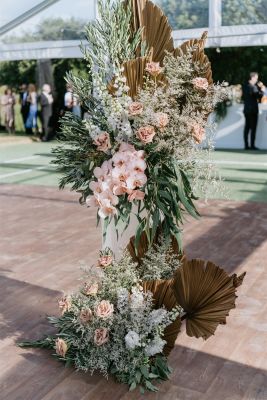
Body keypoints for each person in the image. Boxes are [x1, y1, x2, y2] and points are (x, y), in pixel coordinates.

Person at [243, 72, 265, 150]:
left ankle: (246, 145)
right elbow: (259, 95)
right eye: (256, 78)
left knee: (247, 128)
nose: (257, 79)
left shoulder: (245, 86)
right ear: (252, 78)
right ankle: (252, 145)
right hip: (253, 110)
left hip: (246, 110)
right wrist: (262, 89)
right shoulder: (253, 87)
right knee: (253, 128)